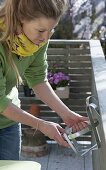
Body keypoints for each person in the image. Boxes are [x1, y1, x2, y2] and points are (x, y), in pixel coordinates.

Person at [0, 0, 88, 160]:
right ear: (21, 19)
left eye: (51, 30)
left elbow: (38, 79)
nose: (46, 37)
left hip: (8, 124)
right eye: (41, 30)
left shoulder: (36, 41)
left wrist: (66, 114)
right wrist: (41, 125)